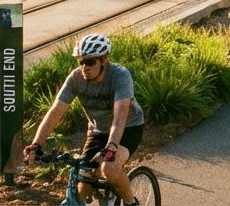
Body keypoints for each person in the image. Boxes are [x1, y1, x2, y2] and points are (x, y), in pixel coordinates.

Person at [24, 34, 146, 205]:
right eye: (81, 62)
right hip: (98, 130)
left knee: (109, 168)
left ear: (103, 60)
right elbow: (55, 112)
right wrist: (36, 144)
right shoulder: (76, 78)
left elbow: (120, 117)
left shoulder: (120, 76)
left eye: (90, 62)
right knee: (83, 181)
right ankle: (103, 195)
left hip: (128, 128)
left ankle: (130, 202)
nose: (84, 67)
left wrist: (111, 147)